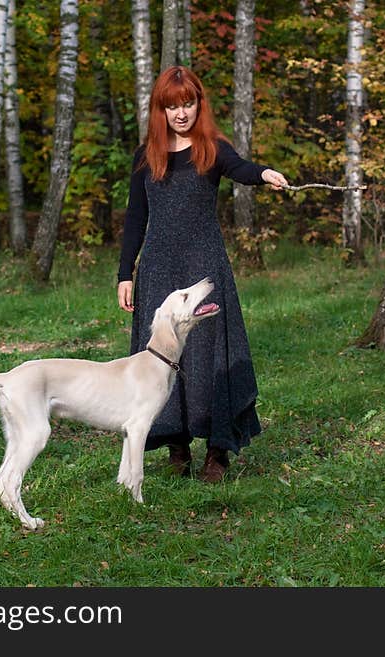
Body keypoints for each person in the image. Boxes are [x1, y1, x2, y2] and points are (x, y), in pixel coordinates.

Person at [117, 65, 288, 482]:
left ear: (199, 104)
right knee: (162, 355)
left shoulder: (212, 147)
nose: (181, 113)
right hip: (158, 267)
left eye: (188, 104)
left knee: (209, 354)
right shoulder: (146, 156)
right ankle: (177, 449)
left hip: (204, 262)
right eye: (172, 106)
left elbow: (241, 168)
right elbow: (135, 219)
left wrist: (263, 174)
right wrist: (126, 273)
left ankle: (217, 452)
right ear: (161, 109)